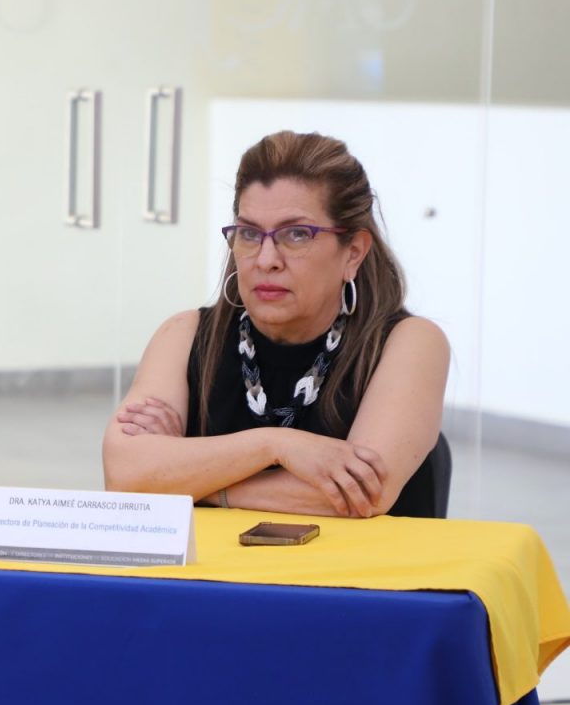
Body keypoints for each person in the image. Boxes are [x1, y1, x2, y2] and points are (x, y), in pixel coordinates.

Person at [103, 130, 449, 517]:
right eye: (250, 234)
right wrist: (275, 445)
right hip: (213, 561)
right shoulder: (183, 335)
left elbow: (361, 493)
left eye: (296, 234)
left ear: (353, 252)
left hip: (362, 559)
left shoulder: (411, 342)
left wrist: (186, 484)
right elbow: (125, 475)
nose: (266, 259)